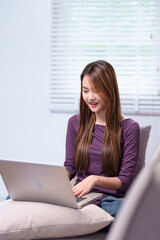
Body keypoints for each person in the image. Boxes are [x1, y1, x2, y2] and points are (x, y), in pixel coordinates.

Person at [64, 60, 140, 217]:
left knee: (134, 209)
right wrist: (50, 184)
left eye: (96, 91)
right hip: (80, 198)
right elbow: (70, 167)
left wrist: (94, 179)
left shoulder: (129, 128)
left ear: (109, 90)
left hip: (110, 201)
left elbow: (124, 181)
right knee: (17, 198)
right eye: (85, 91)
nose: (90, 97)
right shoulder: (75, 122)